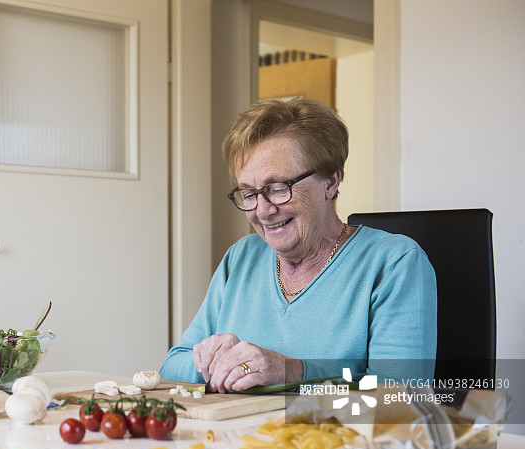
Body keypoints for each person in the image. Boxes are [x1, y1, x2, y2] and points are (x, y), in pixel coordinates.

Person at [160, 98, 436, 392]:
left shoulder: (395, 263)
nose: (263, 211)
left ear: (330, 182)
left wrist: (292, 373)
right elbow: (171, 367)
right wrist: (211, 363)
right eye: (249, 193)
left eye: (278, 189)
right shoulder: (241, 258)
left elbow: (401, 398)